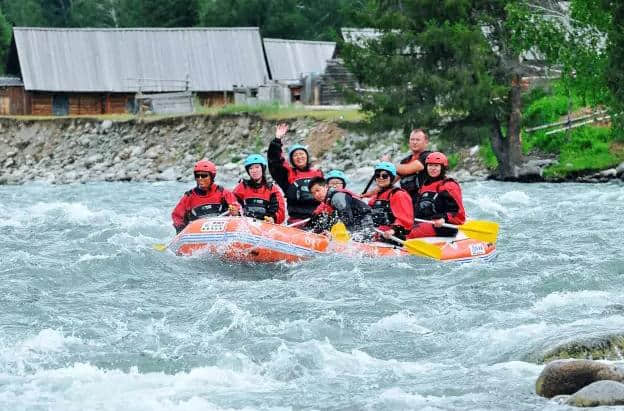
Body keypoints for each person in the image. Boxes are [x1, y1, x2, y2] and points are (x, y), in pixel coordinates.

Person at [267, 123, 323, 225]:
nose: (299, 157)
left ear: (307, 157)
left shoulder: (318, 173)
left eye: (301, 154)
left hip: (319, 218)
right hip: (298, 221)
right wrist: (277, 140)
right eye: (295, 155)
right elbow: (274, 161)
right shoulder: (287, 175)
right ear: (292, 160)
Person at [171, 160, 240, 234]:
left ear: (212, 176)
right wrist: (180, 229)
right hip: (197, 234)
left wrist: (235, 211)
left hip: (223, 231)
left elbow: (237, 208)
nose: (200, 178)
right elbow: (177, 215)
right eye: (197, 176)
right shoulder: (189, 196)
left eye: (204, 176)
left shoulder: (223, 192)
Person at [408, 152, 466, 238]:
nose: (433, 168)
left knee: (408, 233)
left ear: (442, 168)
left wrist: (444, 219)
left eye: (436, 166)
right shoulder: (425, 185)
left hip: (444, 226)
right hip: (426, 222)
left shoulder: (448, 185)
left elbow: (458, 214)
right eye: (430, 165)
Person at [308, 176, 374, 237]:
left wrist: (336, 235)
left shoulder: (337, 197)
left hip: (366, 221)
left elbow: (347, 217)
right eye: (313, 193)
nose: (316, 195)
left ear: (326, 187)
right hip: (356, 222)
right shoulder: (328, 200)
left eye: (317, 190)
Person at [367, 162, 414, 242]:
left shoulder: (399, 194)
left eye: (384, 176)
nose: (380, 178)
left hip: (395, 237)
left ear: (391, 177)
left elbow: (406, 220)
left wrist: (392, 231)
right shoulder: (375, 197)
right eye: (377, 175)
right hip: (379, 234)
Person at [233, 154, 286, 224]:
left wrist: (273, 218)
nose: (254, 171)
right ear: (248, 171)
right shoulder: (242, 187)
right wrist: (235, 211)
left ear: (262, 168)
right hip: (245, 225)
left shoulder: (272, 189)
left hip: (265, 226)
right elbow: (233, 202)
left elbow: (280, 211)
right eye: (251, 168)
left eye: (257, 167)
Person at [395, 128, 432, 204]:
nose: (414, 142)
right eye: (412, 139)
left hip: (424, 201)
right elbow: (390, 180)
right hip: (407, 202)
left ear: (426, 142)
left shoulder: (428, 157)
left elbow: (407, 169)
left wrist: (387, 165)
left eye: (418, 140)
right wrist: (371, 193)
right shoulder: (405, 161)